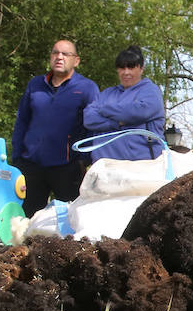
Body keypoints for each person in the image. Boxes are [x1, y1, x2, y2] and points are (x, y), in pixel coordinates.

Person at [12, 39, 100, 213]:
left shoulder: (87, 88)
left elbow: (96, 126)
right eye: (55, 53)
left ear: (76, 60)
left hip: (68, 168)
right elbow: (22, 121)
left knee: (70, 219)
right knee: (26, 218)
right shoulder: (35, 85)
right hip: (31, 166)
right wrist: (17, 157)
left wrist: (86, 159)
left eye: (65, 54)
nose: (59, 57)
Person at [82, 46, 167, 162]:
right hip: (104, 168)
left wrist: (104, 109)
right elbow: (88, 118)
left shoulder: (151, 90)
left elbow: (139, 111)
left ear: (141, 69)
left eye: (131, 67)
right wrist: (118, 123)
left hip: (142, 167)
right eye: (122, 67)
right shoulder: (106, 93)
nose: (126, 72)